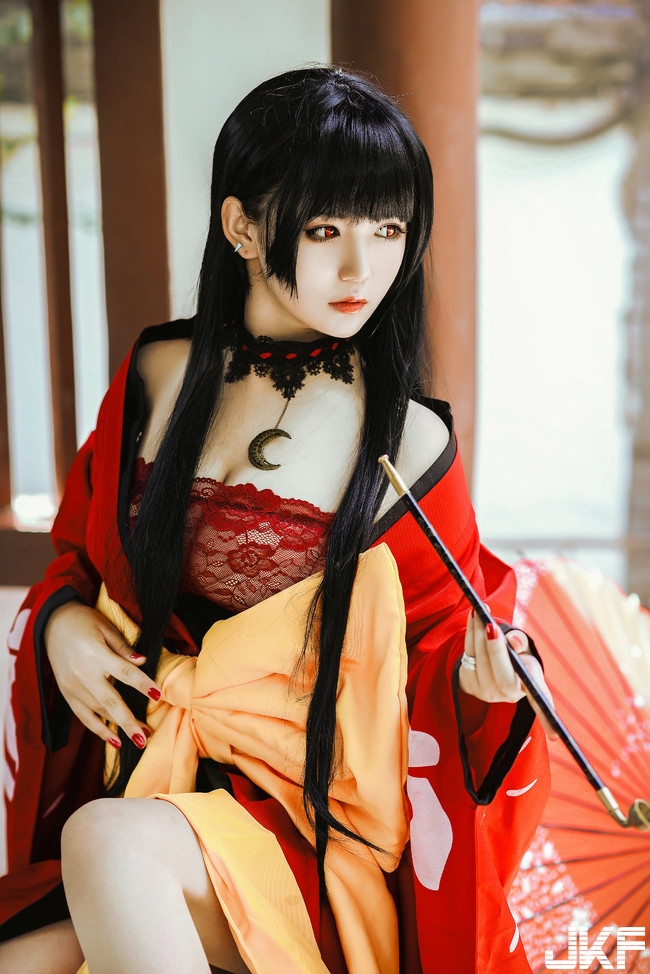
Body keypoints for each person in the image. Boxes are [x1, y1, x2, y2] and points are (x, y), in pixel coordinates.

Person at [0, 66, 552, 974]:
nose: (362, 269)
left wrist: (487, 684)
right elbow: (79, 558)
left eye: (389, 230)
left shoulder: (408, 442)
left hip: (307, 832)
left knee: (105, 842)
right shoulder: (156, 375)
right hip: (152, 779)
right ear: (243, 226)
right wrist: (61, 626)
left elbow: (445, 651)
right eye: (327, 229)